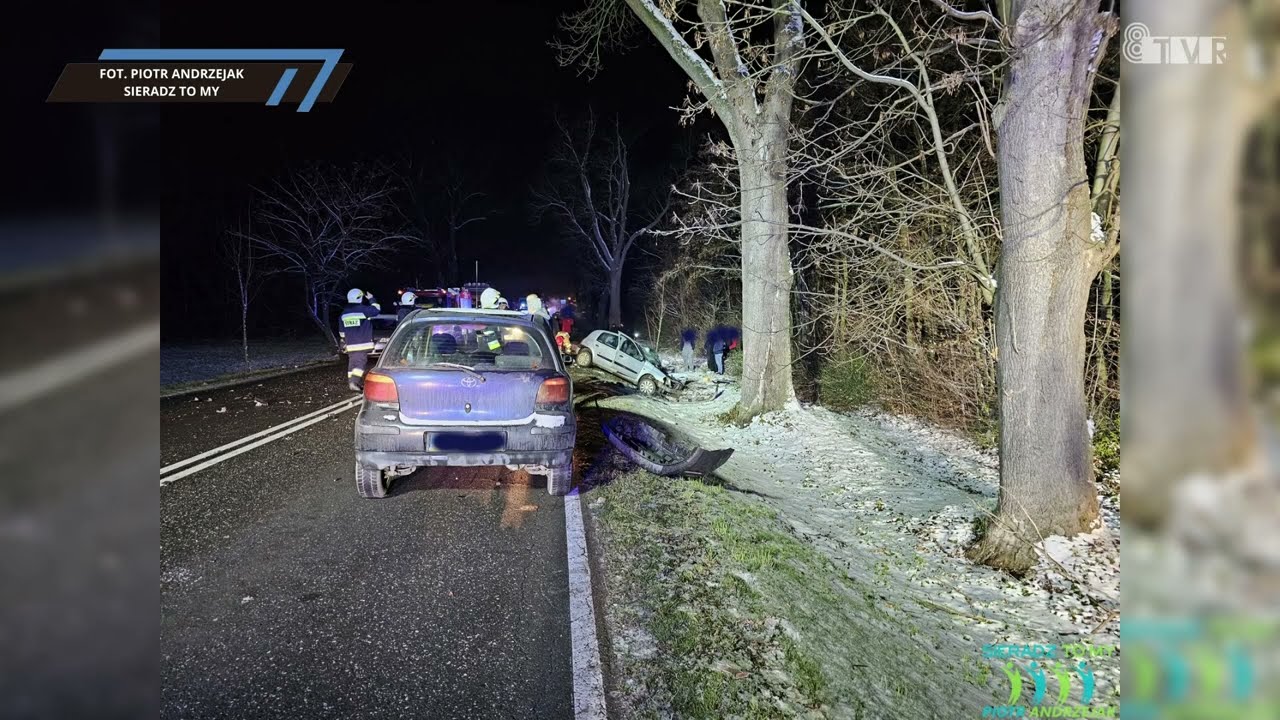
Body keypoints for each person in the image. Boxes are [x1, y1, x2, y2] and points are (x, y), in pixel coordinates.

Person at [341, 288, 380, 391]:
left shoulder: (344, 313)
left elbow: (341, 331)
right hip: (361, 344)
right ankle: (354, 382)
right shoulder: (363, 310)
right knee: (360, 364)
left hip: (350, 344)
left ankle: (352, 382)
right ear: (359, 298)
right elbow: (376, 310)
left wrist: (343, 342)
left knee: (352, 364)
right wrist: (372, 299)